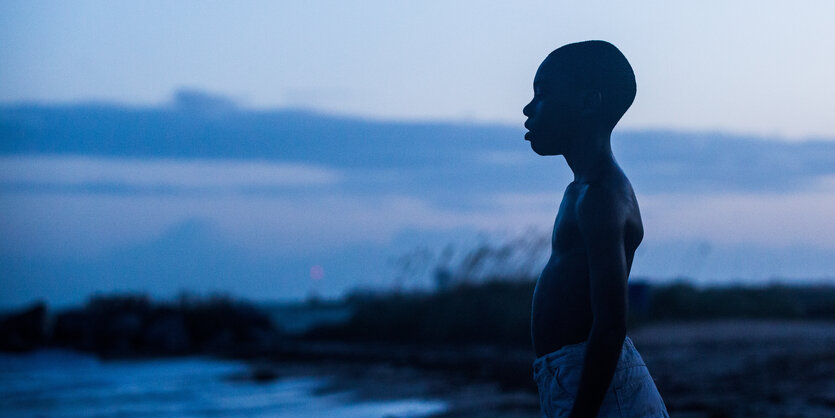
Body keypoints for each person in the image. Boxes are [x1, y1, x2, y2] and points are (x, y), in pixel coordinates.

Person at [523, 40, 669, 417]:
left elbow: (609, 323)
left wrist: (582, 412)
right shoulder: (583, 191)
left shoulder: (601, 196)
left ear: (589, 103)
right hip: (577, 377)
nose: (528, 108)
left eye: (542, 94)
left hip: (602, 388)